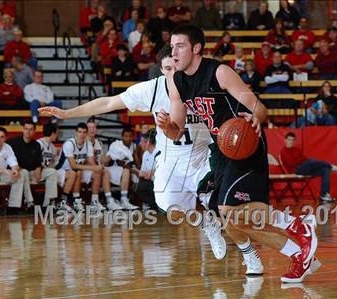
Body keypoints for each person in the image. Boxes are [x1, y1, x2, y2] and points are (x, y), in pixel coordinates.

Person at [157, 24, 320, 282]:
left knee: (227, 208)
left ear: (196, 48)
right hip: (221, 149)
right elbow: (176, 132)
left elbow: (258, 106)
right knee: (233, 222)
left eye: (180, 46)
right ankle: (299, 251)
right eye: (172, 45)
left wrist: (256, 117)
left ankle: (301, 228)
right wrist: (167, 127)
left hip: (245, 141)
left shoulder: (219, 72)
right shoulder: (176, 81)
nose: (173, 51)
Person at [39, 45, 227, 262]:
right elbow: (108, 102)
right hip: (170, 159)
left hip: (203, 155)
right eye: (167, 68)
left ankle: (250, 253)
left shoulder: (202, 84)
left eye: (176, 67)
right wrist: (67, 113)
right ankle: (206, 224)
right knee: (172, 210)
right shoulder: (152, 89)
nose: (173, 73)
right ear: (161, 69)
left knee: (230, 211)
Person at [8, 121, 58, 213]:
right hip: (20, 172)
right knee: (24, 172)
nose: (28, 131)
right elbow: (8, 158)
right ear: (23, 129)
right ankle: (29, 203)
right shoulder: (13, 142)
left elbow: (38, 161)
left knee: (52, 171)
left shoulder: (36, 144)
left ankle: (48, 204)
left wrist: (38, 169)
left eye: (31, 129)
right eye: (26, 129)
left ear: (34, 131)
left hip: (33, 173)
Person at [280, 132, 337, 202]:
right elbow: (291, 163)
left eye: (292, 140)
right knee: (310, 161)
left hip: (305, 168)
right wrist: (300, 160)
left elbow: (304, 159)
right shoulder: (283, 152)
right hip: (296, 171)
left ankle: (324, 194)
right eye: (289, 140)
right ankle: (330, 165)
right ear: (285, 140)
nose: (290, 142)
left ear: (294, 141)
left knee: (325, 170)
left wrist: (300, 160)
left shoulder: (296, 150)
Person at [55, 122, 103, 212]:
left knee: (96, 172)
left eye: (84, 132)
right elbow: (73, 165)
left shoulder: (88, 144)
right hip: (61, 170)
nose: (82, 134)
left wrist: (97, 167)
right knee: (76, 171)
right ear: (76, 132)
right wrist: (94, 168)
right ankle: (63, 202)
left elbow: (91, 162)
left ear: (87, 133)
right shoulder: (69, 144)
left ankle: (94, 201)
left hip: (76, 170)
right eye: (80, 132)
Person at [0, 127, 24, 216]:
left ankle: (13, 207)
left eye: (2, 137)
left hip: (2, 174)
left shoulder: (8, 147)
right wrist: (5, 170)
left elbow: (14, 163)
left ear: (5, 138)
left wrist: (15, 170)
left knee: (20, 176)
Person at [102, 127, 139, 210]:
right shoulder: (117, 145)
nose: (128, 138)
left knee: (130, 172)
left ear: (133, 137)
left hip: (126, 170)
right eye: (126, 136)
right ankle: (110, 200)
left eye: (130, 136)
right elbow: (120, 163)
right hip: (115, 169)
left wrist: (135, 154)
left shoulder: (134, 146)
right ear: (122, 137)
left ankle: (124, 200)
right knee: (126, 171)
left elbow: (136, 163)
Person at [37, 123, 59, 207]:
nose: (57, 135)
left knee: (53, 173)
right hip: (35, 171)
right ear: (53, 134)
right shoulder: (39, 143)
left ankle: (48, 204)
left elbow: (53, 163)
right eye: (57, 133)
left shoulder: (52, 147)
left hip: (45, 172)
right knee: (52, 172)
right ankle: (49, 203)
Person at [136, 130, 159, 210]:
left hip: (159, 182)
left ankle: (157, 205)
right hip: (150, 180)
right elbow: (141, 173)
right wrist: (148, 173)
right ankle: (154, 205)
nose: (139, 144)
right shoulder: (145, 154)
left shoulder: (158, 152)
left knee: (144, 186)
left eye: (141, 141)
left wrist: (153, 171)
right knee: (139, 186)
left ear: (148, 142)